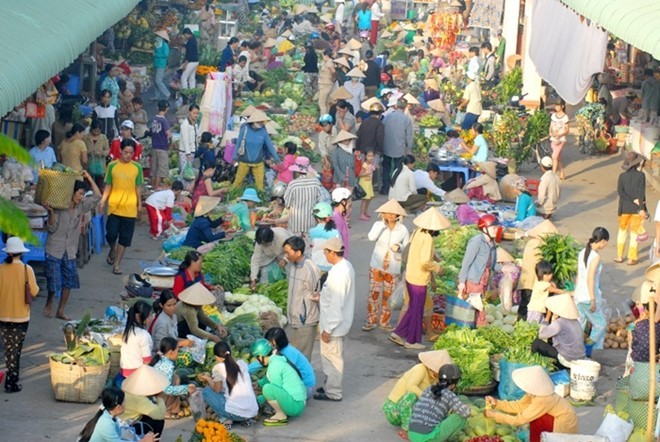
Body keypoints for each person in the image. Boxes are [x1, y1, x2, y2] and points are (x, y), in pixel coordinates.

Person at [44, 171, 101, 319]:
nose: (81, 197)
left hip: (70, 250)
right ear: (72, 192)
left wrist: (88, 177)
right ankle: (49, 300)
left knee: (68, 281)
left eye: (83, 194)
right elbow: (51, 228)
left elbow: (98, 197)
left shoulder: (81, 207)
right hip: (54, 248)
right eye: (80, 193)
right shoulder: (59, 206)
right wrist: (50, 212)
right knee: (54, 281)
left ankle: (60, 310)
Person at [390, 208, 448, 349]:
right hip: (419, 278)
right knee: (417, 310)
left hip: (411, 274)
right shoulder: (427, 238)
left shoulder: (417, 231)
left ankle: (398, 333)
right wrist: (437, 268)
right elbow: (425, 262)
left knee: (413, 308)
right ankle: (412, 340)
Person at [484, 366, 578, 441]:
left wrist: (495, 416)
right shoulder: (534, 392)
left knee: (534, 418)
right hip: (554, 416)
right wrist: (497, 403)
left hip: (563, 424)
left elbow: (520, 420)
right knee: (533, 415)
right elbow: (519, 406)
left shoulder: (543, 399)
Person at [315, 237, 355, 402]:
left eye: (325, 251)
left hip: (334, 325)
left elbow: (336, 304)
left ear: (332, 252)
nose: (324, 254)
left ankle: (333, 392)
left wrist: (327, 329)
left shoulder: (339, 274)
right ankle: (329, 386)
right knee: (332, 357)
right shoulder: (345, 266)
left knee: (332, 359)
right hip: (340, 322)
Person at [0, 237, 39, 393]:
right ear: (21, 253)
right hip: (21, 317)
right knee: (15, 350)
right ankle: (12, 381)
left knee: (8, 348)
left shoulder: (1, 269)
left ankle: (11, 378)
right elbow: (35, 291)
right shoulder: (26, 269)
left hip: (3, 316)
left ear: (9, 253)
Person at [364, 200, 409, 331]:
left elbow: (407, 246)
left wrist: (399, 247)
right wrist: (382, 226)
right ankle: (371, 320)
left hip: (393, 266)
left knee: (388, 296)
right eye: (386, 213)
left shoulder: (403, 229)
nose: (389, 215)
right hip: (376, 265)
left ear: (398, 215)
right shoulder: (378, 225)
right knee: (374, 293)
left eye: (392, 213)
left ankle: (384, 321)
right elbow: (371, 237)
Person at [101, 139, 143, 275]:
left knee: (124, 239)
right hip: (114, 207)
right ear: (120, 151)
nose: (128, 155)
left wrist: (139, 205)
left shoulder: (137, 168)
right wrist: (102, 201)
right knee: (111, 234)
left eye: (131, 153)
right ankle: (112, 249)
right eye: (126, 152)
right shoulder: (112, 166)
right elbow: (108, 185)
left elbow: (138, 187)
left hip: (130, 209)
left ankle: (117, 264)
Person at [383, 350, 452, 432]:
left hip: (407, 409)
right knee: (412, 395)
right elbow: (410, 386)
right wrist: (427, 397)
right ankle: (406, 429)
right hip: (394, 409)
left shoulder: (434, 377)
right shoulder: (420, 369)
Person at [405, 364, 471, 442]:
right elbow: (466, 412)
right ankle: (447, 439)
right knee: (460, 417)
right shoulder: (449, 395)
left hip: (412, 435)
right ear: (453, 385)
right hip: (427, 438)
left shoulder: (428, 389)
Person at [280, 236, 321, 362]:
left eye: (288, 252)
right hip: (293, 319)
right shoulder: (293, 265)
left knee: (302, 358)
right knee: (292, 356)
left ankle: (305, 381)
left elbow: (317, 292)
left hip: (305, 320)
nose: (286, 256)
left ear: (298, 252)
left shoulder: (310, 268)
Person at [199, 341, 258, 427]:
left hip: (235, 414)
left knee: (206, 392)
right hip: (252, 412)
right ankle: (245, 419)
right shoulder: (241, 363)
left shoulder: (218, 368)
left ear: (216, 357)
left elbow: (217, 390)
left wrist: (208, 379)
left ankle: (226, 420)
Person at [250, 338, 307, 425]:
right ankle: (283, 411)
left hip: (296, 406)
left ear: (261, 356)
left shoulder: (274, 366)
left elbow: (275, 387)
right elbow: (270, 378)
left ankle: (281, 416)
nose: (257, 361)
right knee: (268, 387)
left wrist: (258, 400)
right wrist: (259, 383)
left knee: (267, 389)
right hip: (299, 402)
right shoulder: (277, 359)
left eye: (257, 358)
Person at [458, 214, 501, 326]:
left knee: (478, 308)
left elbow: (493, 265)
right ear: (484, 228)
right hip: (474, 281)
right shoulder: (476, 242)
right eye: (494, 228)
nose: (496, 230)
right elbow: (466, 263)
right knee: (476, 309)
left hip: (484, 281)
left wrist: (505, 268)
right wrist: (462, 282)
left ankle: (474, 329)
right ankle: (476, 330)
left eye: (497, 227)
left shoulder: (492, 243)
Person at [249, 327, 316, 397]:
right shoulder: (281, 350)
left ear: (276, 344)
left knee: (271, 391)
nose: (268, 346)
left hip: (306, 388)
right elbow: (259, 363)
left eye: (271, 344)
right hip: (305, 384)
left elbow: (280, 382)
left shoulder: (285, 356)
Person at [573, 227, 609, 349]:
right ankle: (587, 348)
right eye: (606, 242)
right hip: (588, 297)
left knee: (580, 324)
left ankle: (576, 349)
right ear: (603, 241)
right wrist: (593, 300)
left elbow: (579, 275)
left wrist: (575, 292)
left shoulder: (582, 252)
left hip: (579, 295)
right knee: (600, 324)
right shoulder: (595, 257)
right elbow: (590, 278)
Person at [78, 387, 157, 442]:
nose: (126, 404)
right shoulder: (106, 423)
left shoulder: (108, 415)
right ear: (119, 407)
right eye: (124, 402)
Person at [532, 294, 586, 370]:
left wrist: (547, 317)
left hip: (567, 361)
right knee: (549, 342)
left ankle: (537, 368)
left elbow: (541, 335)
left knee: (536, 343)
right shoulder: (575, 321)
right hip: (579, 358)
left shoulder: (560, 323)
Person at [232, 110, 279, 191]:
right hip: (244, 161)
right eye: (260, 122)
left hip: (258, 163)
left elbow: (269, 146)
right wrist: (235, 157)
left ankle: (259, 200)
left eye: (262, 122)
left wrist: (277, 159)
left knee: (260, 185)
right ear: (254, 121)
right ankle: (232, 195)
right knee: (237, 182)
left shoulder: (263, 132)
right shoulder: (245, 129)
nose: (261, 123)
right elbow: (239, 143)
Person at [150, 337, 196, 419]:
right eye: (177, 351)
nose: (178, 353)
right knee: (175, 381)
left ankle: (169, 407)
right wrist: (186, 388)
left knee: (176, 378)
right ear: (171, 352)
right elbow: (167, 389)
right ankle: (166, 410)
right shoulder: (167, 366)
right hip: (157, 396)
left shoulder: (160, 357)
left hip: (152, 394)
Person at [615, 152, 647, 266]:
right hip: (636, 210)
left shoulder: (622, 176)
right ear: (637, 163)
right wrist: (643, 209)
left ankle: (619, 256)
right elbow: (641, 194)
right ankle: (631, 258)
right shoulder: (641, 176)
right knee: (634, 234)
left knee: (622, 232)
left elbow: (620, 192)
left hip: (623, 209)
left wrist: (630, 199)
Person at [119, 365, 168, 438]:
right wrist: (159, 398)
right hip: (127, 425)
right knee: (159, 421)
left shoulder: (129, 387)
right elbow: (160, 415)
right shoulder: (139, 398)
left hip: (120, 420)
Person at [283, 157, 324, 235]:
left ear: (297, 171)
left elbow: (287, 204)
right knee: (309, 245)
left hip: (295, 224)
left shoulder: (293, 184)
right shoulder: (315, 182)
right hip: (311, 223)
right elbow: (321, 202)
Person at [381, 99, 414, 195]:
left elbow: (382, 128)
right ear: (405, 107)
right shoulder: (406, 119)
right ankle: (395, 187)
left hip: (387, 146)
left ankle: (385, 188)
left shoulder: (388, 116)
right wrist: (409, 149)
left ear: (396, 106)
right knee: (397, 168)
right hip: (399, 147)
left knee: (386, 167)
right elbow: (409, 136)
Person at [120, 300, 153, 379]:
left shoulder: (127, 330)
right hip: (136, 375)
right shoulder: (144, 335)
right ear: (138, 317)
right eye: (149, 316)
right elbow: (147, 361)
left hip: (124, 372)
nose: (152, 318)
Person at [309, 203, 340, 272]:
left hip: (315, 266)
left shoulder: (311, 232)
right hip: (331, 267)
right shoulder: (336, 233)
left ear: (317, 218)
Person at [150, 100, 172, 189]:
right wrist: (170, 143)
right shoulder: (164, 121)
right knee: (161, 171)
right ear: (167, 109)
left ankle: (151, 187)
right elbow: (168, 134)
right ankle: (156, 188)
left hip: (154, 146)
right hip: (162, 148)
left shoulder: (154, 119)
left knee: (154, 169)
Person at [179, 104, 200, 185]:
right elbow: (185, 140)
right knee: (184, 172)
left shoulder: (195, 124)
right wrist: (188, 153)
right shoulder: (185, 124)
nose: (196, 115)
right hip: (185, 152)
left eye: (197, 113)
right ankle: (180, 188)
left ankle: (185, 188)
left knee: (188, 172)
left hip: (192, 151)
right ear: (189, 112)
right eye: (194, 113)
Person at [549, 100, 569, 180]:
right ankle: (562, 174)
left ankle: (552, 175)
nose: (556, 107)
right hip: (553, 138)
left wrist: (560, 135)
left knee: (554, 156)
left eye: (558, 106)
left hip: (561, 139)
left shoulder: (565, 117)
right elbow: (551, 126)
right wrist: (550, 132)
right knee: (558, 158)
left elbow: (567, 130)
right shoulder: (553, 116)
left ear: (562, 106)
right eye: (555, 106)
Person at [331, 187, 352, 258]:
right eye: (349, 201)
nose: (350, 204)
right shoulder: (336, 218)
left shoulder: (341, 216)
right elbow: (336, 240)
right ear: (343, 202)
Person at [152, 30, 170, 101]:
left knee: (158, 81)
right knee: (155, 81)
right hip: (156, 63)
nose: (157, 37)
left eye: (158, 36)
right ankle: (157, 96)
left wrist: (156, 55)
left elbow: (166, 55)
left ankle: (167, 93)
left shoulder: (165, 45)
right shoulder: (157, 44)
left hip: (161, 64)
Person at [358, 150, 376, 220]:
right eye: (369, 156)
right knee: (365, 199)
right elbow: (360, 174)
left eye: (372, 156)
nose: (371, 158)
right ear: (365, 156)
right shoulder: (364, 165)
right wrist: (367, 173)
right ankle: (362, 214)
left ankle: (365, 212)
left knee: (369, 198)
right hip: (364, 183)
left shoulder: (370, 164)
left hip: (369, 183)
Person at [318, 49, 336, 115]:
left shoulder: (329, 63)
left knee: (321, 103)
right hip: (326, 84)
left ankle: (323, 118)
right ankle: (326, 116)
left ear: (326, 56)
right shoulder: (328, 62)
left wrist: (332, 78)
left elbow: (333, 71)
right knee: (327, 102)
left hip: (325, 84)